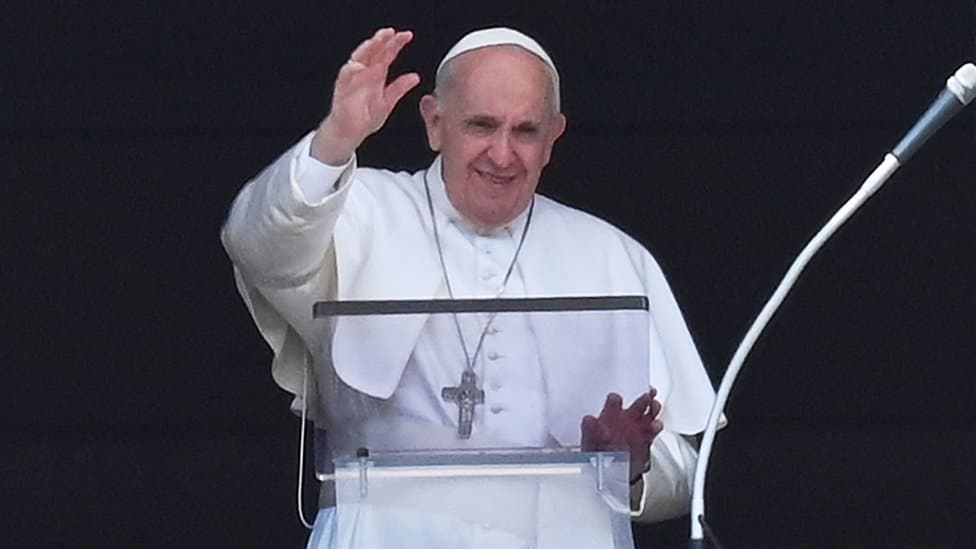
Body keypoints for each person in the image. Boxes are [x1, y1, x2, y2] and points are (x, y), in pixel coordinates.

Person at [222, 26, 717, 548]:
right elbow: (257, 243)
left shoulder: (610, 255)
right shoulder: (358, 212)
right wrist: (335, 142)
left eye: (525, 131)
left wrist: (630, 466)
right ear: (435, 123)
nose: (502, 155)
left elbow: (686, 473)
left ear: (553, 138)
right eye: (482, 125)